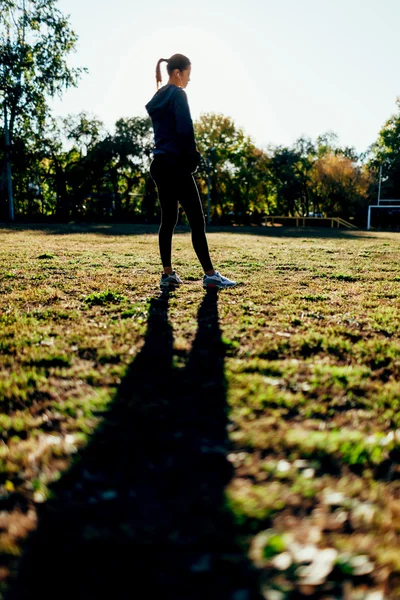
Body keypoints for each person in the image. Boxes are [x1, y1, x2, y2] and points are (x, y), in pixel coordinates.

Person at [145, 53, 237, 290]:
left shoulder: (158, 97)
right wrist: (193, 158)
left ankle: (167, 274)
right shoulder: (178, 94)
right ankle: (210, 275)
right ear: (178, 72)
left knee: (168, 220)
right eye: (188, 75)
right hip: (176, 163)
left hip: (160, 164)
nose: (188, 80)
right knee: (197, 219)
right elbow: (184, 129)